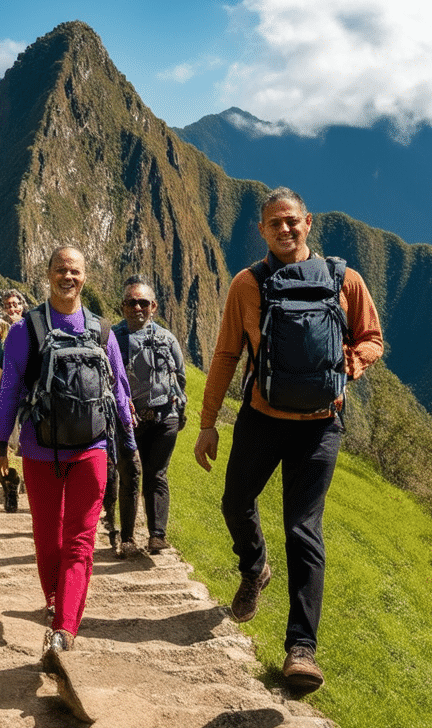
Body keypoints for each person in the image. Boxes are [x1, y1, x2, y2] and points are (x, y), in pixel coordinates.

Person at [193, 187, 383, 696]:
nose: (285, 229)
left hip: (321, 424)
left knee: (304, 530)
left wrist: (352, 365)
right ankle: (255, 567)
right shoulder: (247, 284)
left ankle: (302, 650)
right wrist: (208, 421)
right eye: (275, 223)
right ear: (262, 230)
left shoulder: (345, 280)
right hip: (261, 417)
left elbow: (372, 338)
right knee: (236, 502)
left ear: (309, 222)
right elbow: (226, 354)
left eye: (292, 221)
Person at [0, 246, 136, 658]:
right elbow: (10, 391)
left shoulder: (103, 331)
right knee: (47, 537)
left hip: (91, 448)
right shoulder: (25, 330)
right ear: (48, 273)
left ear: (84, 277)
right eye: (60, 270)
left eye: (74, 271)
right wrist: (1, 445)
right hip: (39, 449)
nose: (66, 277)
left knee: (80, 540)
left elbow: (119, 390)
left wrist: (129, 443)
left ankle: (64, 629)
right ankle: (55, 600)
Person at [108, 277, 187, 557]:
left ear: (153, 306)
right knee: (130, 474)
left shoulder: (166, 339)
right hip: (128, 420)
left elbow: (179, 375)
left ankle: (157, 536)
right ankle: (127, 538)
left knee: (157, 474)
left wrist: (179, 407)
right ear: (123, 306)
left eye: (143, 302)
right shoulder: (112, 339)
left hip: (164, 416)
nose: (137, 307)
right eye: (132, 302)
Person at [0, 289, 27, 513]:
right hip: (8, 396)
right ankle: (10, 485)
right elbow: (0, 367)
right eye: (8, 305)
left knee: (27, 442)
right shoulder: (1, 336)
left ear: (22, 305)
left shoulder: (31, 331)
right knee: (3, 444)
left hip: (27, 397)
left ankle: (31, 485)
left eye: (15, 304)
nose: (12, 308)